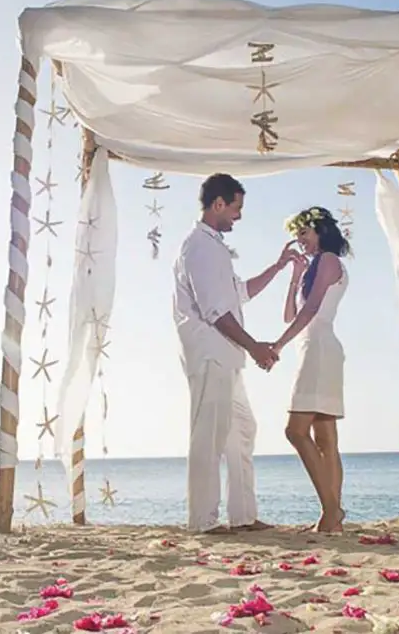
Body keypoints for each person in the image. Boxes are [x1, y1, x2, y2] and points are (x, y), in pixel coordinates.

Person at [173, 173, 300, 534]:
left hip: (227, 358)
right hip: (210, 353)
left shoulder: (213, 247)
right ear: (218, 204)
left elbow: (238, 293)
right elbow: (215, 311)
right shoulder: (198, 246)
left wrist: (278, 268)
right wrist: (256, 347)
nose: (239, 216)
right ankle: (203, 521)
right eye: (236, 208)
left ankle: (243, 516)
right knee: (209, 435)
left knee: (242, 429)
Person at [270, 206, 351, 534]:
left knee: (295, 431)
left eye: (304, 233)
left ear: (320, 231)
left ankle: (332, 511)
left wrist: (277, 346)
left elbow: (314, 309)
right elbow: (291, 314)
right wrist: (293, 277)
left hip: (319, 349)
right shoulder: (313, 268)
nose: (299, 240)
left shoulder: (330, 260)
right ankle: (330, 518)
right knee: (325, 438)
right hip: (314, 347)